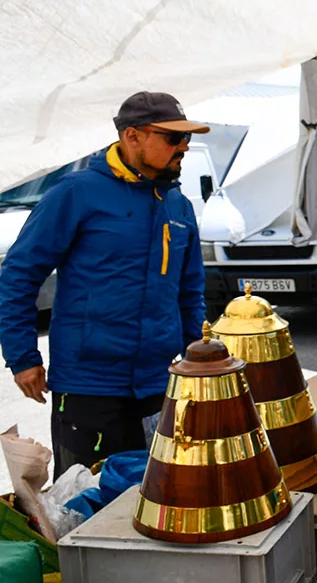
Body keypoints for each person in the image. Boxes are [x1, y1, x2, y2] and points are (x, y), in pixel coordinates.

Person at [0, 92, 208, 477]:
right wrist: (23, 357)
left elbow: (190, 290)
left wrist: (197, 358)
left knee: (156, 495)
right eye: (172, 138)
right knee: (84, 503)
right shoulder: (75, 193)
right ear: (132, 136)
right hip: (88, 388)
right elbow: (19, 273)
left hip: (158, 385)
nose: (183, 148)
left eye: (186, 139)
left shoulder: (178, 205)